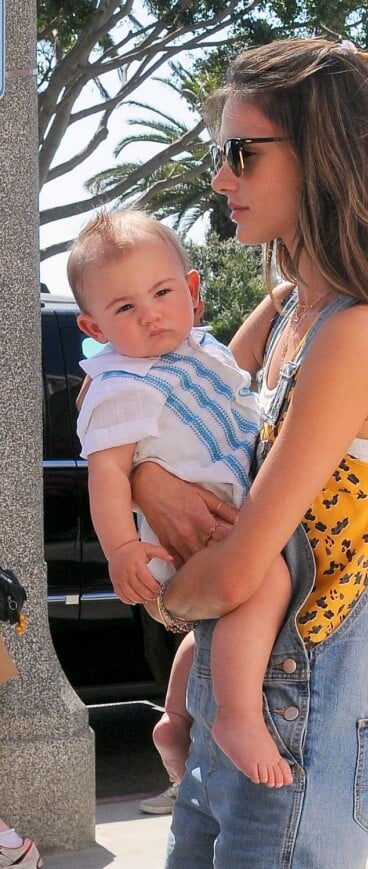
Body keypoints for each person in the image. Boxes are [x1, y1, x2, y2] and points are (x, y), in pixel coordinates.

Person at [134, 37, 368, 867]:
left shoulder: (361, 331)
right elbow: (170, 416)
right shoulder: (293, 308)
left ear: (325, 155)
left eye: (240, 153)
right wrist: (145, 472)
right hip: (237, 714)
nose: (220, 178)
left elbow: (242, 567)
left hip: (298, 738)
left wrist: (164, 594)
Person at [68, 210, 294, 789]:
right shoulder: (119, 385)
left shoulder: (195, 348)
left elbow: (239, 377)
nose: (150, 313)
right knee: (262, 580)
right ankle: (238, 717)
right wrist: (121, 547)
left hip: (225, 510)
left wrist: (275, 301)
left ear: (192, 291)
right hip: (195, 528)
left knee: (225, 622)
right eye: (124, 308)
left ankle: (174, 719)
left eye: (162, 292)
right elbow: (108, 475)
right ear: (94, 329)